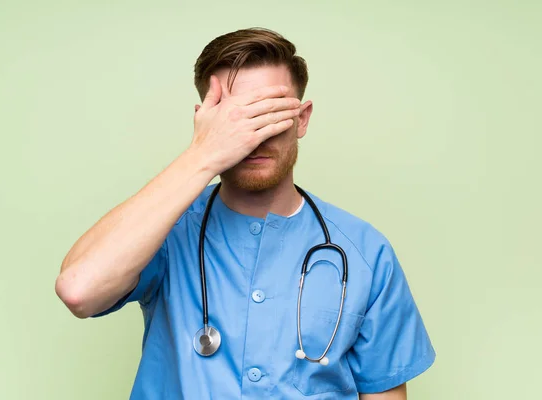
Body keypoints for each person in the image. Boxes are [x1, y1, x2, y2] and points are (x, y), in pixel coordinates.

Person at [55, 27, 436, 400]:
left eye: (270, 113)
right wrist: (203, 154)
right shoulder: (164, 229)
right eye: (236, 118)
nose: (254, 134)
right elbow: (79, 290)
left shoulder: (366, 253)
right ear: (205, 122)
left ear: (301, 119)